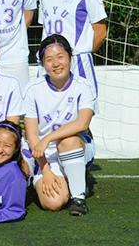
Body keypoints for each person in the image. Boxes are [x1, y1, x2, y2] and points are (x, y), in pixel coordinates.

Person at [23, 34, 96, 216]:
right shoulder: (33, 90)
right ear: (42, 64)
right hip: (43, 154)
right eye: (49, 59)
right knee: (53, 203)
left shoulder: (83, 86)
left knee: (68, 141)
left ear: (70, 58)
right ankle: (60, 178)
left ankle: (78, 197)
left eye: (60, 57)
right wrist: (45, 170)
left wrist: (48, 138)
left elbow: (83, 122)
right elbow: (32, 135)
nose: (56, 63)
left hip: (74, 145)